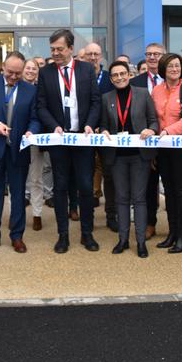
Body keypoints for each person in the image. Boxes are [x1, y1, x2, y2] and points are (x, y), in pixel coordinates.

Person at [37, 29, 101, 253]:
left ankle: (87, 233)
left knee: (85, 186)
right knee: (61, 188)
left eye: (60, 49)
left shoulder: (86, 70)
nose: (55, 53)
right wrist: (53, 124)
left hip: (82, 139)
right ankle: (63, 235)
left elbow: (95, 102)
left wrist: (90, 124)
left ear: (71, 49)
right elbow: (41, 105)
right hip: (59, 139)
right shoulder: (45, 73)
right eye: (52, 49)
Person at [0, 52, 40, 253]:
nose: (13, 77)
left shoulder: (30, 90)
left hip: (18, 149)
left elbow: (35, 118)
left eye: (18, 73)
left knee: (19, 194)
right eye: (10, 72)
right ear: (3, 66)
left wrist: (31, 131)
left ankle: (17, 236)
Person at [99, 61, 158, 258]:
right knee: (121, 199)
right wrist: (104, 129)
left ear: (129, 74)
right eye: (115, 75)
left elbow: (154, 120)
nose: (119, 77)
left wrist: (152, 129)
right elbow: (104, 124)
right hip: (117, 157)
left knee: (139, 199)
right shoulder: (106, 98)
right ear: (111, 79)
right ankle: (123, 240)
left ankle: (141, 242)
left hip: (139, 156)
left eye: (123, 73)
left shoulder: (142, 94)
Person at [152, 53, 182, 253]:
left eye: (177, 65)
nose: (174, 69)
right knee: (169, 191)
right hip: (162, 147)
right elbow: (154, 116)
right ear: (163, 69)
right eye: (170, 66)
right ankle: (172, 233)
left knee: (181, 191)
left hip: (181, 146)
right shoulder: (156, 90)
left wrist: (167, 132)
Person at [131, 42, 165, 240]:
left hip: (170, 140)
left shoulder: (174, 79)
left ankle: (177, 227)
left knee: (174, 185)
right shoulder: (136, 82)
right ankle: (150, 223)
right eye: (149, 54)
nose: (152, 58)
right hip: (146, 141)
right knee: (149, 186)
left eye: (157, 54)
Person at [84, 42, 117, 231]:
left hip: (107, 134)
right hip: (86, 134)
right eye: (89, 54)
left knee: (109, 176)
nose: (93, 57)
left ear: (101, 56)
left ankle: (111, 216)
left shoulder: (109, 78)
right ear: (84, 56)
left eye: (96, 54)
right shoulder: (79, 77)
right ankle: (87, 218)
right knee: (86, 177)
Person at [22, 59, 46, 230]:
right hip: (15, 140)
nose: (30, 71)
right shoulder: (14, 88)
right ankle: (17, 213)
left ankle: (37, 214)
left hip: (35, 139)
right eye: (27, 68)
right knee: (16, 180)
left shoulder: (41, 90)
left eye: (34, 69)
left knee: (36, 179)